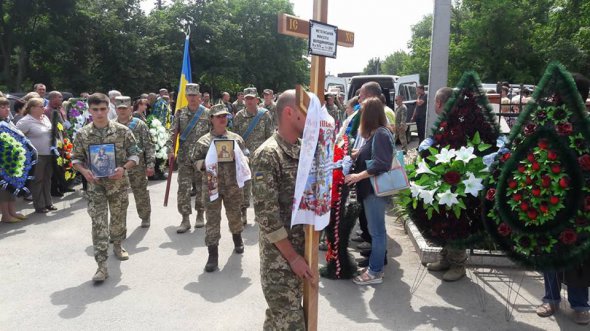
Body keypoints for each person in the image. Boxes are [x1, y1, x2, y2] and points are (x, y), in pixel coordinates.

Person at [252, 90, 315, 329]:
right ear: (289, 113)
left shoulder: (302, 150)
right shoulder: (268, 155)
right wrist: (293, 258)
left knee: (277, 320)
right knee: (292, 324)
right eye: (306, 112)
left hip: (301, 252)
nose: (310, 118)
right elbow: (267, 216)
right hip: (280, 261)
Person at [537, 72, 590, 325]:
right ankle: (551, 298)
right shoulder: (548, 124)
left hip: (582, 203)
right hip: (550, 198)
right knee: (551, 248)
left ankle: (580, 304)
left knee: (579, 252)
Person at [72, 93, 139, 283]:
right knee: (99, 225)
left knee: (118, 219)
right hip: (95, 187)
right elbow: (75, 158)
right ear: (89, 110)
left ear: (109, 109)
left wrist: (124, 168)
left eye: (103, 109)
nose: (99, 113)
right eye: (95, 110)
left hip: (117, 184)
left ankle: (118, 244)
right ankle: (101, 266)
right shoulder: (83, 134)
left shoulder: (122, 131)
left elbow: (135, 155)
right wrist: (85, 172)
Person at [190, 104, 247, 272]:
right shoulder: (204, 141)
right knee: (212, 220)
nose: (223, 119)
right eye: (219, 116)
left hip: (233, 187)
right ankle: (212, 255)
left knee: (235, 215)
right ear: (211, 119)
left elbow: (246, 153)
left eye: (225, 116)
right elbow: (194, 160)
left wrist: (245, 161)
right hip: (211, 187)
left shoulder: (236, 138)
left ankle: (237, 238)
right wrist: (206, 164)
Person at [344, 97, 394, 285]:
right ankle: (375, 266)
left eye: (363, 111)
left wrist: (358, 176)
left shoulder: (380, 133)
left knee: (377, 232)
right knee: (376, 231)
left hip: (374, 192)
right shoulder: (376, 133)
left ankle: (375, 272)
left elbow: (381, 163)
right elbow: (370, 155)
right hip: (371, 191)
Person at [423, 86, 468, 282]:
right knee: (444, 220)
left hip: (456, 180)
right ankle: (446, 258)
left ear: (440, 103)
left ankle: (458, 264)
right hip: (445, 178)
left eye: (434, 101)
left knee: (456, 222)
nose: (434, 104)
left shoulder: (457, 123)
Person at [166, 83, 210, 233]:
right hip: (184, 158)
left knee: (201, 187)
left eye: (194, 95)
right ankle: (185, 219)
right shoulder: (180, 113)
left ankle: (200, 215)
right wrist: (170, 150)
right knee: (183, 189)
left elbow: (213, 135)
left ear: (199, 96)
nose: (192, 98)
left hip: (201, 158)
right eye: (189, 95)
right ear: (185, 97)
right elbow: (172, 133)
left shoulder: (207, 113)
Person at [233, 87, 274, 225]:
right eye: (247, 98)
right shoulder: (238, 116)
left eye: (252, 98)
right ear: (244, 100)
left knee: (260, 187)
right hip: (244, 159)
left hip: (261, 159)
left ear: (257, 99)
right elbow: (235, 138)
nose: (249, 101)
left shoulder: (265, 115)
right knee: (244, 187)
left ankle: (260, 214)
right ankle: (243, 213)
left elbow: (270, 137)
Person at [115, 96, 155, 228]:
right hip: (118, 167)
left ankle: (145, 216)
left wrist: (150, 165)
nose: (122, 111)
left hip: (137, 166)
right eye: (119, 108)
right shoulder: (111, 125)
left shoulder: (139, 124)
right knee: (119, 197)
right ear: (115, 109)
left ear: (130, 108)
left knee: (140, 192)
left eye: (124, 108)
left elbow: (149, 145)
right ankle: (120, 225)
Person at [16, 98, 55, 214]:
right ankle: (39, 205)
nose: (44, 108)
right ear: (32, 108)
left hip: (49, 153)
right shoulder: (25, 121)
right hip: (36, 155)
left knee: (47, 179)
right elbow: (17, 138)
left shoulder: (45, 118)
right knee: (37, 180)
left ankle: (49, 203)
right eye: (41, 106)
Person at [0, 97, 27, 223]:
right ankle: (5, 214)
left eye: (7, 107)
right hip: (2, 161)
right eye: (2, 107)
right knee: (4, 189)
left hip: (11, 160)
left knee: (12, 186)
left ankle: (12, 211)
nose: (6, 109)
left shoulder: (8, 121)